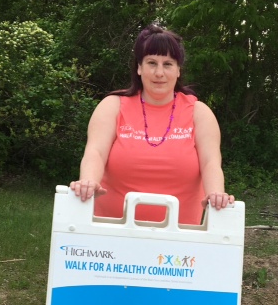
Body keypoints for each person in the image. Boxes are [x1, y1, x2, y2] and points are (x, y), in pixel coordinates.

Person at [70, 23, 234, 224]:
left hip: (180, 242)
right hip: (112, 237)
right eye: (151, 63)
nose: (159, 73)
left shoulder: (199, 113)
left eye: (168, 64)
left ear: (178, 70)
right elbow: (95, 152)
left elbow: (211, 163)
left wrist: (216, 194)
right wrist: (89, 181)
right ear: (139, 67)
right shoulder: (112, 106)